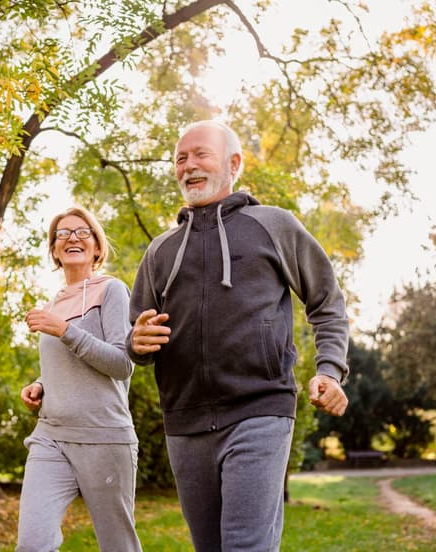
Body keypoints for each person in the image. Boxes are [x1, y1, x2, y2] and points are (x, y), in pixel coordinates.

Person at [126, 120, 349, 551]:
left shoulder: (274, 225)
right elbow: (137, 338)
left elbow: (326, 300)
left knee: (246, 545)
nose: (188, 165)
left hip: (259, 409)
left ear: (234, 163)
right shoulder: (161, 250)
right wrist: (136, 342)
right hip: (185, 420)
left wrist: (331, 369)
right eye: (180, 158)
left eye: (200, 154)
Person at [16, 206, 142, 552]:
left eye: (83, 232)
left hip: (104, 437)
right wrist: (41, 384)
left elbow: (122, 363)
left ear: (97, 247)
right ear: (55, 250)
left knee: (118, 546)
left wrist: (66, 330)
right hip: (51, 437)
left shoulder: (112, 290)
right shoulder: (54, 303)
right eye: (63, 234)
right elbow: (67, 365)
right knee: (32, 543)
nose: (72, 237)